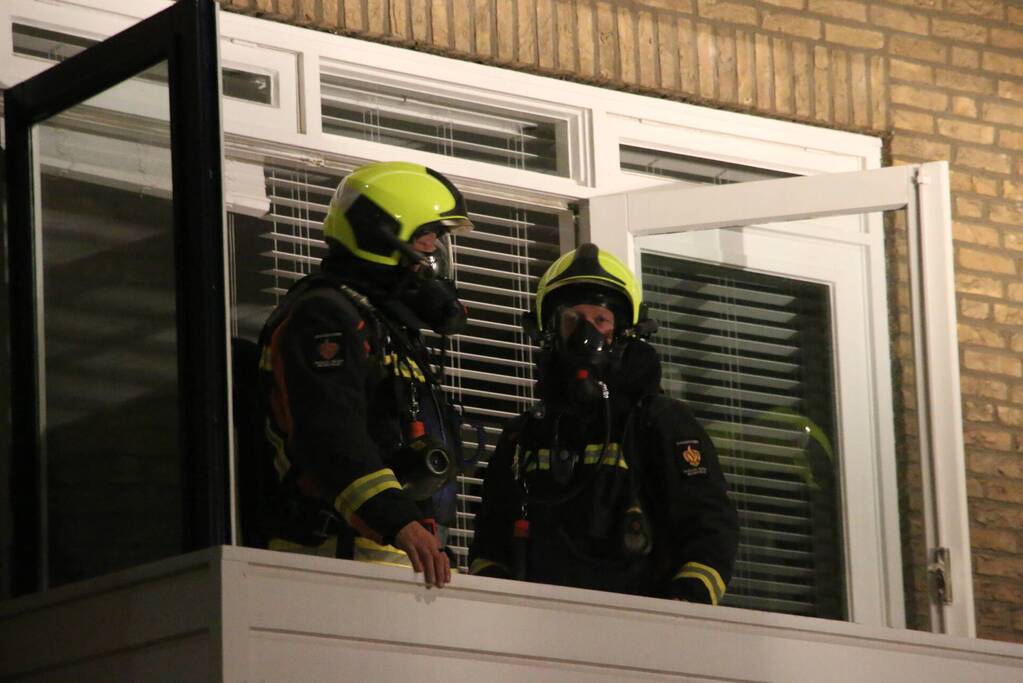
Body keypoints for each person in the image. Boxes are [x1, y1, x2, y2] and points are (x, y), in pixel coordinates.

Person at [468, 243, 738, 604]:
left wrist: (684, 608)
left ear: (625, 331)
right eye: (572, 319)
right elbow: (490, 542)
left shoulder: (658, 422)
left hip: (638, 635)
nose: (586, 334)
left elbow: (710, 525)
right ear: (549, 330)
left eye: (600, 320)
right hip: (539, 634)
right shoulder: (524, 438)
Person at [256, 161, 474, 588]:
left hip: (393, 563)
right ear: (383, 237)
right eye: (426, 237)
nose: (433, 253)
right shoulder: (327, 317)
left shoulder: (384, 323)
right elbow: (329, 435)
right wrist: (398, 522)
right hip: (331, 562)